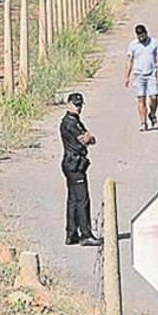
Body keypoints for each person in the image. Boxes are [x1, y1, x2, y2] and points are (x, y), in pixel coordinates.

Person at [59, 92, 101, 247]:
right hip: (74, 163)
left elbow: (91, 139)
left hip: (73, 163)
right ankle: (85, 234)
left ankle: (71, 233)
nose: (78, 107)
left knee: (73, 200)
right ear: (68, 104)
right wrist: (88, 138)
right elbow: (86, 139)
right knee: (82, 200)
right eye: (75, 104)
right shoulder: (70, 122)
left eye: (80, 105)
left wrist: (89, 138)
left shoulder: (74, 120)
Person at [123, 24, 158, 131]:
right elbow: (129, 60)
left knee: (154, 97)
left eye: (143, 35)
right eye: (139, 36)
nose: (142, 38)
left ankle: (153, 114)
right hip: (138, 75)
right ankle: (143, 122)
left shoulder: (154, 43)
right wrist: (127, 77)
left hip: (151, 74)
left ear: (146, 32)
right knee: (141, 99)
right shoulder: (133, 45)